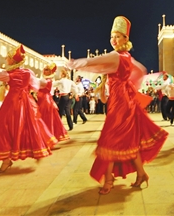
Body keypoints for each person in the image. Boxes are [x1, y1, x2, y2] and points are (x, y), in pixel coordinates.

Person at [68, 16, 168, 195]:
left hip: (121, 104)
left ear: (125, 39)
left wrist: (75, 64)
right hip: (122, 101)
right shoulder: (127, 57)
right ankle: (141, 174)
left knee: (110, 141)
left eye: (117, 36)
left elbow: (94, 62)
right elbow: (140, 71)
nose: (113, 39)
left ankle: (108, 180)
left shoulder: (117, 56)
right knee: (127, 142)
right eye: (111, 36)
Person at [0, 45, 57, 174]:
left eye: (8, 57)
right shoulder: (28, 72)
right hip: (26, 102)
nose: (6, 58)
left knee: (2, 129)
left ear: (13, 60)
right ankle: (35, 151)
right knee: (29, 127)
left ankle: (7, 160)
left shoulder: (8, 74)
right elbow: (38, 85)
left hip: (12, 103)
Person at [37, 63, 69, 142]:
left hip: (45, 101)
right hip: (45, 99)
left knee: (44, 119)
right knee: (48, 118)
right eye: (45, 69)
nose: (44, 70)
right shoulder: (47, 80)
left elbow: (36, 83)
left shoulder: (46, 81)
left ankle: (46, 137)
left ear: (50, 72)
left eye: (47, 69)